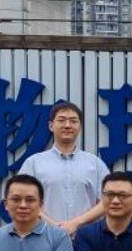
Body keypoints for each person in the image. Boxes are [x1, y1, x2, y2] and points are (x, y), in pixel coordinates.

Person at [17, 101, 110, 236]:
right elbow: (23, 200)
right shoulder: (33, 163)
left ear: (79, 126)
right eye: (61, 120)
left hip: (86, 239)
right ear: (51, 126)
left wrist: (76, 223)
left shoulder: (95, 163)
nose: (67, 125)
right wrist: (55, 226)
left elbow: (108, 200)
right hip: (43, 237)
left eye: (73, 121)